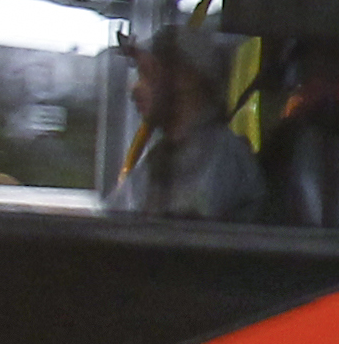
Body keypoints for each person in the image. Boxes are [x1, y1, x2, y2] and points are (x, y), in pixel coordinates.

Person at [108, 28, 266, 223]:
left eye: (147, 74)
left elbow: (183, 236)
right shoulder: (161, 157)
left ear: (186, 78)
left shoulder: (223, 157)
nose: (134, 89)